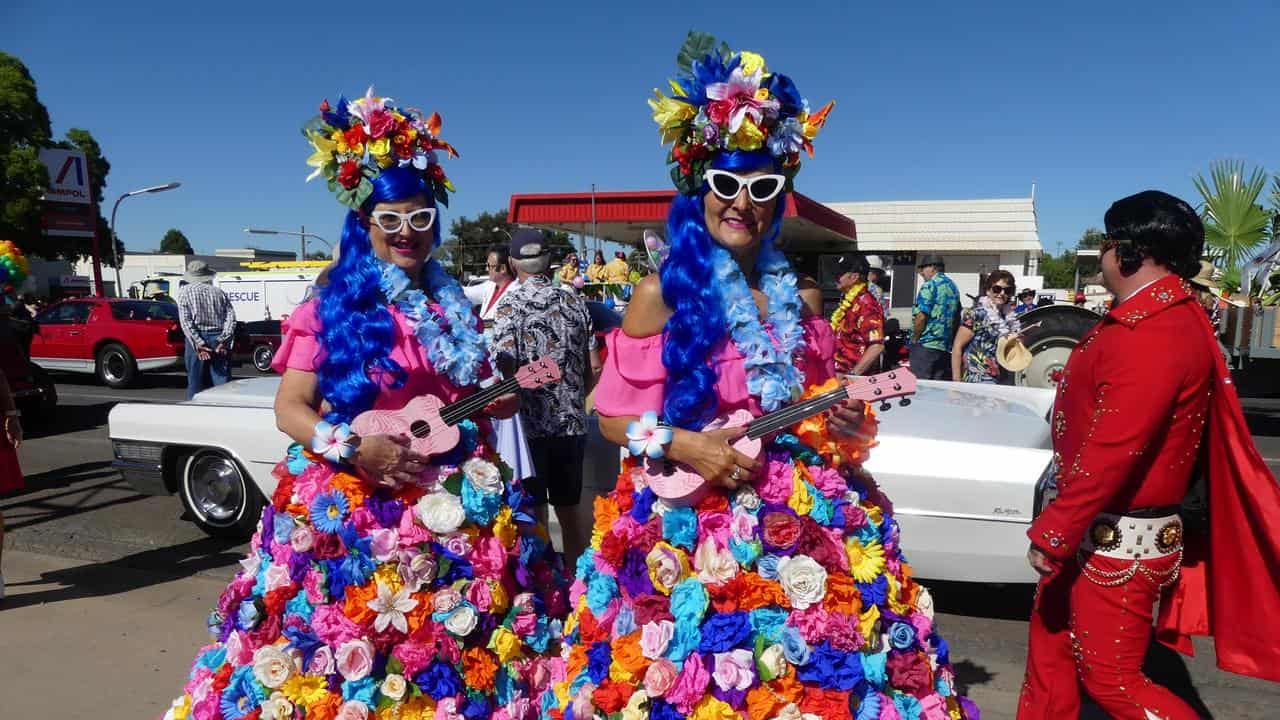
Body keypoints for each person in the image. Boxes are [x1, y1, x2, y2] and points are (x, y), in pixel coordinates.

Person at [545, 36, 977, 720]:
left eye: (762, 188)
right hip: (684, 522)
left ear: (780, 199)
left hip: (797, 516)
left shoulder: (801, 299)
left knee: (805, 686)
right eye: (726, 185)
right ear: (700, 189)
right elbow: (610, 418)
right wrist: (688, 445)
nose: (741, 203)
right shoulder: (661, 293)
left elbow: (820, 404)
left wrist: (846, 421)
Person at [163, 89, 567, 720]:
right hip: (356, 502)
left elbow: (473, 400)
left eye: (421, 218)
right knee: (354, 649)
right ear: (366, 224)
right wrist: (353, 448)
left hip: (457, 505)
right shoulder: (331, 304)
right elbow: (291, 408)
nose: (409, 234)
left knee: (461, 656)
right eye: (392, 220)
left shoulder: (451, 304)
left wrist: (501, 401)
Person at [1019, 191, 1280, 720]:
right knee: (1051, 666)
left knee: (1114, 681)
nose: (1102, 254)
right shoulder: (1150, 319)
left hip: (1116, 537)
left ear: (1130, 253)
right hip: (1097, 526)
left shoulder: (1155, 330)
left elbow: (1118, 447)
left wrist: (1056, 529)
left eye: (1108, 243)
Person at [491, 228, 598, 564]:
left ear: (512, 262)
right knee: (570, 512)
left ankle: (546, 590)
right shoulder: (576, 302)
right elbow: (593, 368)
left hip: (529, 429)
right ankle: (578, 585)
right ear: (550, 260)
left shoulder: (509, 306)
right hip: (572, 425)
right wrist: (578, 403)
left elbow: (504, 365)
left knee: (533, 515)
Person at [176, 260, 236, 400]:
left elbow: (186, 322)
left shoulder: (184, 292)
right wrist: (223, 339)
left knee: (195, 381)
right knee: (222, 381)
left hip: (197, 337)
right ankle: (225, 411)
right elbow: (231, 318)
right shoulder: (219, 292)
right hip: (218, 336)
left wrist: (199, 343)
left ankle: (195, 412)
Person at [951, 270, 1021, 383]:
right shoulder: (976, 314)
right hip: (977, 378)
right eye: (997, 289)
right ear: (988, 291)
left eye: (1007, 290)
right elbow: (957, 347)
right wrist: (956, 383)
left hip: (1001, 378)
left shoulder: (1008, 317)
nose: (1002, 293)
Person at [830, 252, 885, 375]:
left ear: (854, 277)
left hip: (851, 381)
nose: (835, 278)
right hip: (838, 374)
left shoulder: (866, 304)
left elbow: (876, 346)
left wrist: (853, 375)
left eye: (839, 274)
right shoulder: (850, 300)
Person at [910, 254, 960, 380]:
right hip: (944, 347)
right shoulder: (953, 287)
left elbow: (921, 316)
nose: (921, 272)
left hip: (926, 345)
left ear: (932, 268)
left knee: (921, 388)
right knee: (936, 390)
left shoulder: (930, 285)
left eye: (923, 268)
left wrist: (915, 339)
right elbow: (957, 317)